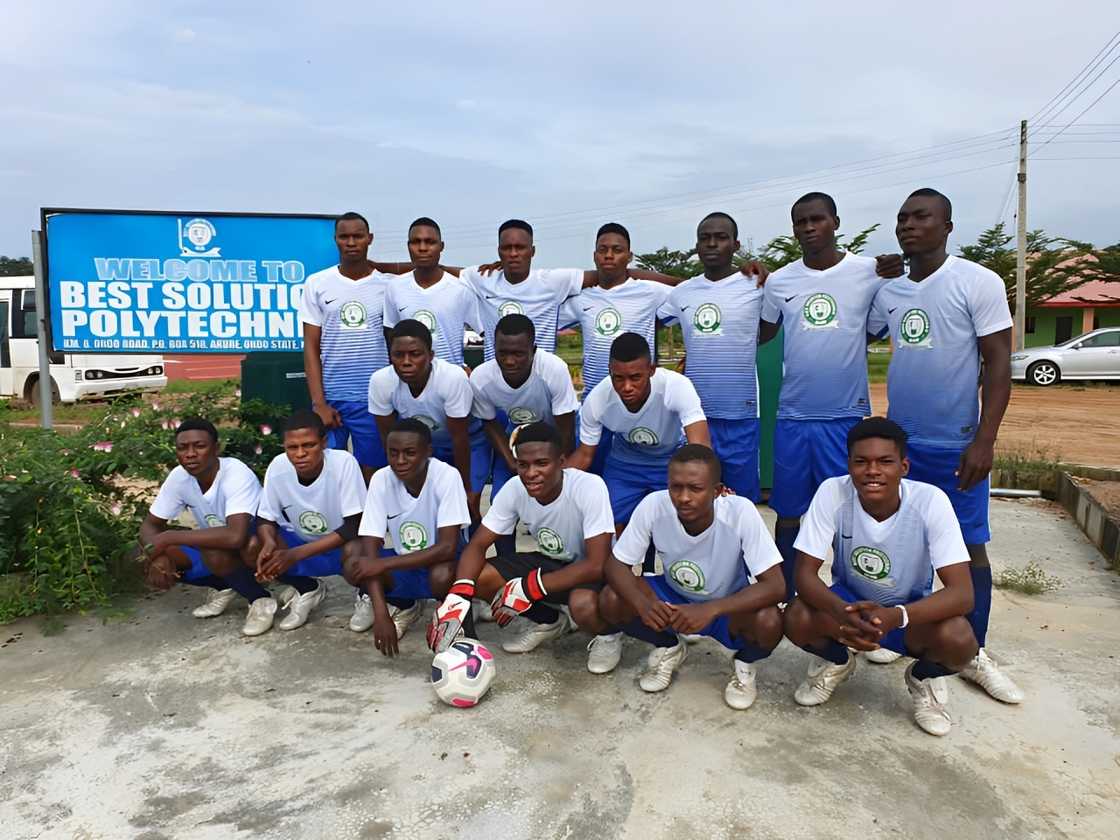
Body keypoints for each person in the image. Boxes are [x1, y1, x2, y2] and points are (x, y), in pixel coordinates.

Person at [867, 188, 1022, 703]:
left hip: (957, 446)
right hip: (904, 445)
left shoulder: (977, 281)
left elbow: (999, 363)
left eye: (921, 217)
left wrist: (985, 439)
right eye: (902, 217)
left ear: (948, 225)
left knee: (969, 545)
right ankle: (906, 633)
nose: (909, 225)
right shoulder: (888, 290)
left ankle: (973, 649)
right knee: (904, 542)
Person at [783, 417, 980, 736]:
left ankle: (924, 678)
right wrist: (842, 612)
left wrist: (895, 617)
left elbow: (962, 593)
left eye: (885, 461)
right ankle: (838, 661)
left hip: (907, 610)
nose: (872, 470)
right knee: (796, 616)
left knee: (959, 641)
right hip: (851, 606)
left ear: (904, 466)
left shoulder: (930, 501)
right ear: (848, 464)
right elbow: (804, 575)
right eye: (861, 461)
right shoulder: (832, 492)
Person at [760, 192, 893, 604]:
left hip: (847, 418)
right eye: (800, 221)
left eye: (817, 219)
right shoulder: (779, 281)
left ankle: (851, 592)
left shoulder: (869, 273)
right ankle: (787, 591)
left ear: (835, 222)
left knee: (850, 511)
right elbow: (765, 331)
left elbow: (875, 329)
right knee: (788, 510)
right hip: (793, 417)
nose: (808, 228)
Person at [594, 445, 784, 706]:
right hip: (673, 599)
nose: (683, 497)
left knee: (769, 621)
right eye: (676, 487)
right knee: (611, 598)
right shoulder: (654, 505)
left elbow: (775, 586)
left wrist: (711, 610)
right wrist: (644, 605)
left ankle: (744, 663)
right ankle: (669, 646)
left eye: (695, 488)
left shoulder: (740, 512)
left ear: (717, 491)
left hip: (726, 604)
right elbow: (616, 565)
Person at [426, 422, 615, 661]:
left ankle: (609, 635)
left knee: (583, 605)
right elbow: (478, 545)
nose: (530, 472)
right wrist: (459, 595)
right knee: (481, 579)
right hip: (551, 563)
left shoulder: (589, 487)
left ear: (562, 462)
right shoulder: (515, 488)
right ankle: (550, 622)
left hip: (592, 573)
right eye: (523, 464)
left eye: (542, 463)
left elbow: (597, 564)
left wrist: (530, 587)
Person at [458, 219, 690, 363]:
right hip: (591, 397)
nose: (609, 256)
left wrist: (684, 281)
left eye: (617, 250)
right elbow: (448, 271)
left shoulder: (651, 291)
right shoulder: (580, 300)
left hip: (633, 390)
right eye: (507, 248)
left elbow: (680, 301)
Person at [657, 212, 768, 501]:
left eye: (721, 238)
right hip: (694, 416)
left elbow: (768, 330)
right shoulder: (682, 293)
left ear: (736, 244)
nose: (712, 244)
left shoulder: (757, 285)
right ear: (697, 245)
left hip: (740, 415)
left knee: (739, 501)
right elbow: (653, 324)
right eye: (705, 238)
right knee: (693, 497)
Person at [342, 419, 471, 656]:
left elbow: (447, 548)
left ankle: (452, 613)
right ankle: (403, 605)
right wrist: (381, 615)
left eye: (410, 453)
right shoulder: (381, 479)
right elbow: (370, 550)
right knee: (354, 562)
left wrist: (382, 563)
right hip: (406, 561)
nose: (400, 461)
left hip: (442, 563)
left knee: (442, 575)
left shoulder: (446, 476)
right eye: (393, 453)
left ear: (428, 451)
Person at [137, 418, 275, 636]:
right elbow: (149, 527)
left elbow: (235, 536)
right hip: (219, 541)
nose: (190, 454)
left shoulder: (235, 473)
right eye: (183, 448)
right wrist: (158, 556)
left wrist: (170, 537)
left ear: (216, 449)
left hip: (256, 542)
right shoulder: (179, 477)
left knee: (230, 549)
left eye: (199, 446)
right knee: (150, 554)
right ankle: (225, 586)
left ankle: (259, 599)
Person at [568, 332, 709, 530]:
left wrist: (710, 487)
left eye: (635, 378)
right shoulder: (597, 400)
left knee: (686, 523)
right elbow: (584, 455)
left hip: (670, 461)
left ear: (651, 370)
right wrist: (555, 481)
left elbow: (700, 447)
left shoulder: (676, 387)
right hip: (625, 464)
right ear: (609, 371)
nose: (627, 387)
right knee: (604, 525)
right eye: (618, 378)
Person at [251, 410, 366, 631]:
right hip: (302, 540)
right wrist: (268, 543)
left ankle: (366, 594)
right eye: (292, 448)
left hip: (340, 542)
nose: (300, 454)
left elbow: (354, 526)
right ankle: (307, 588)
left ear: (324, 443)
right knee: (258, 547)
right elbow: (265, 518)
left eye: (309, 445)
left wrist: (295, 555)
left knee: (357, 550)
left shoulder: (343, 463)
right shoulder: (278, 466)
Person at [299, 211, 392, 482]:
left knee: (372, 474)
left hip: (373, 399)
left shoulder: (388, 286)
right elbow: (311, 346)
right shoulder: (317, 284)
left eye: (357, 236)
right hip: (331, 400)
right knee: (329, 474)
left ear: (369, 239)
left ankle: (367, 525)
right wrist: (319, 403)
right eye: (344, 237)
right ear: (335, 240)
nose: (351, 242)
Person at [368, 320, 490, 523]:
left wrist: (465, 488)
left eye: (415, 354)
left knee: (468, 507)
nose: (406, 361)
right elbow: (388, 437)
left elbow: (460, 439)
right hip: (426, 448)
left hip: (469, 444)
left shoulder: (451, 378)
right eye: (398, 355)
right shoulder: (381, 381)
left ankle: (473, 553)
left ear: (431, 356)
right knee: (425, 506)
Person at [469, 313, 579, 501]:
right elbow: (489, 423)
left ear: (533, 350)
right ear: (493, 348)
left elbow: (565, 426)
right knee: (499, 500)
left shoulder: (553, 369)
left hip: (557, 434)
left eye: (518, 354)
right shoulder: (481, 379)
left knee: (558, 497)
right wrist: (512, 462)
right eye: (502, 353)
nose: (510, 361)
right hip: (517, 436)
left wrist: (557, 466)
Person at [382, 217, 483, 367]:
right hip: (409, 382)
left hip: (450, 380)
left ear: (441, 246)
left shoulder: (461, 289)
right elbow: (391, 335)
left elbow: (480, 334)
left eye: (430, 242)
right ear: (408, 246)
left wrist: (473, 370)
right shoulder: (394, 287)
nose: (422, 248)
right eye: (416, 242)